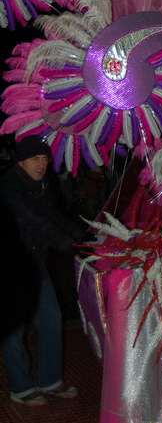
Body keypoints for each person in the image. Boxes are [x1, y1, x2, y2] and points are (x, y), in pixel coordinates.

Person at [0, 136, 84, 406]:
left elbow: (52, 215)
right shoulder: (7, 187)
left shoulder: (43, 183)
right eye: (35, 159)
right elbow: (32, 221)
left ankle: (49, 380)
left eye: (45, 159)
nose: (41, 164)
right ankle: (21, 388)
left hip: (33, 264)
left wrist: (81, 236)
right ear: (21, 161)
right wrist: (64, 244)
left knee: (50, 318)